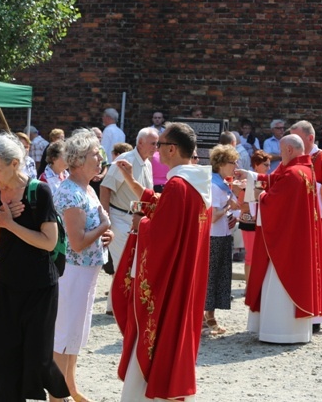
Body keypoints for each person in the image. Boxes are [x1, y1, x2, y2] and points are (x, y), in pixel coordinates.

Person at [112, 122, 212, 401]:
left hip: (170, 277)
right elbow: (163, 206)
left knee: (159, 328)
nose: (156, 151)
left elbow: (161, 234)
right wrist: (133, 182)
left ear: (171, 148)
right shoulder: (196, 183)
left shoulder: (178, 185)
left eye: (159, 145)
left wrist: (140, 223)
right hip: (186, 274)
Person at [0, 133, 70, 401]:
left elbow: (48, 242)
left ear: (15, 163)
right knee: (2, 357)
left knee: (38, 358)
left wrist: (11, 224)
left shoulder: (38, 192)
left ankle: (61, 394)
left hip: (40, 285)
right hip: (6, 284)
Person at [51, 130, 113, 402]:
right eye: (94, 155)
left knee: (75, 333)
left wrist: (103, 234)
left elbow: (89, 234)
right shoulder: (71, 193)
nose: (100, 159)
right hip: (72, 272)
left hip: (84, 272)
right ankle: (57, 394)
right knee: (64, 334)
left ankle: (70, 388)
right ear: (77, 159)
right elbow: (76, 243)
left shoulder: (86, 189)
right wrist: (104, 227)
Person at [245, 134, 322, 344]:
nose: (280, 155)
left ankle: (278, 332)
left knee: (279, 282)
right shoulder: (305, 170)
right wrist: (253, 177)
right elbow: (277, 181)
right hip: (297, 238)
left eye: (281, 151)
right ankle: (295, 332)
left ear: (289, 150)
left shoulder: (292, 174)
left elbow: (273, 202)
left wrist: (258, 195)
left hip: (286, 242)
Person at [100, 127, 157, 315]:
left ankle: (114, 306)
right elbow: (106, 187)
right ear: (140, 143)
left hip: (135, 218)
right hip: (119, 217)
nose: (156, 147)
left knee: (128, 263)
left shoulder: (147, 163)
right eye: (153, 143)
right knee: (123, 263)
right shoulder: (125, 160)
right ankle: (120, 306)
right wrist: (105, 218)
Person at [290, 120, 322, 332]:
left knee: (317, 267)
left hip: (317, 222)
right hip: (296, 223)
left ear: (310, 138)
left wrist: (307, 187)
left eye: (297, 139)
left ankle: (316, 316)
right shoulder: (292, 159)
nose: (293, 145)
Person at [204, 144, 239, 335]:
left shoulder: (222, 183)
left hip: (223, 235)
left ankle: (208, 315)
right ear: (222, 163)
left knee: (218, 276)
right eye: (232, 162)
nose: (235, 166)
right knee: (212, 277)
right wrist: (227, 206)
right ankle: (209, 316)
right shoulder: (213, 184)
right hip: (214, 236)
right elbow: (213, 216)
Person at [238, 150, 272, 285]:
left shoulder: (266, 180)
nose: (268, 168)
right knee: (251, 256)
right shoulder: (247, 181)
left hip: (262, 221)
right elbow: (243, 205)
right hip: (249, 221)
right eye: (265, 164)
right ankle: (249, 285)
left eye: (269, 165)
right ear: (256, 165)